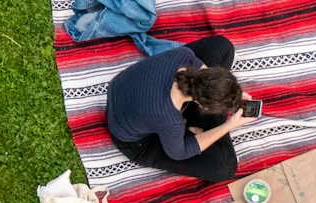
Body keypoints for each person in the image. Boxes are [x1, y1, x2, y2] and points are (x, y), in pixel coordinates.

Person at [105, 33, 256, 184]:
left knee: (223, 47)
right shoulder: (170, 119)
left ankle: (207, 121)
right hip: (135, 140)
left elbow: (203, 72)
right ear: (202, 106)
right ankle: (206, 127)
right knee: (225, 166)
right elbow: (179, 153)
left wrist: (232, 92)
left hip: (125, 90)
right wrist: (230, 125)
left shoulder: (183, 56)